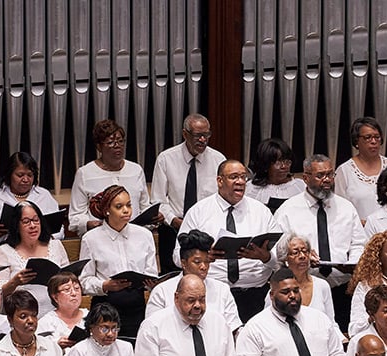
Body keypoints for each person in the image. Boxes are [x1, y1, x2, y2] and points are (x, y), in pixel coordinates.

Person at [175, 159, 281, 322]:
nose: (240, 181)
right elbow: (177, 256)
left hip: (255, 294)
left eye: (243, 177)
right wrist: (204, 258)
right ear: (219, 181)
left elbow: (280, 260)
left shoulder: (262, 212)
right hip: (212, 295)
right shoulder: (198, 212)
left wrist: (264, 256)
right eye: (234, 177)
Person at [274, 154, 365, 331]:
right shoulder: (288, 210)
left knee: (342, 335)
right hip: (306, 287)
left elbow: (358, 243)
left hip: (343, 287)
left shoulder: (346, 207)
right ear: (306, 178)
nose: (327, 180)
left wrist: (352, 262)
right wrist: (303, 256)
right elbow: (278, 249)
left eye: (330, 175)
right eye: (320, 175)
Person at [237, 268, 347, 356]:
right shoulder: (255, 327)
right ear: (271, 295)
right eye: (285, 292)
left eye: (296, 290)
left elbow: (336, 355)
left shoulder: (319, 318)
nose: (292, 296)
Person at [78, 184, 158, 338]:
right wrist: (105, 285)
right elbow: (85, 280)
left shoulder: (144, 235)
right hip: (105, 306)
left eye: (129, 205)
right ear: (107, 210)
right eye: (119, 206)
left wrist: (151, 283)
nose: (126, 210)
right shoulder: (91, 239)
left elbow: (151, 271)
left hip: (136, 305)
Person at [151, 113, 227, 271]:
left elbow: (223, 197)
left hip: (206, 228)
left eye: (207, 135)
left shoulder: (218, 159)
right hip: (173, 228)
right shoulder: (166, 159)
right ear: (185, 134)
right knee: (173, 276)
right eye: (198, 135)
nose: (203, 140)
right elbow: (158, 200)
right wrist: (174, 220)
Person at [145, 229, 242, 335]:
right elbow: (151, 329)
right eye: (197, 262)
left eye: (207, 262)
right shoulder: (162, 291)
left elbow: (233, 327)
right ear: (183, 263)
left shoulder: (222, 289)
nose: (203, 267)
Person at [67, 118, 154, 236]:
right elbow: (75, 217)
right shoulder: (85, 174)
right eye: (110, 142)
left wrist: (152, 217)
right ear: (99, 147)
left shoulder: (136, 170)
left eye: (120, 141)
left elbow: (144, 206)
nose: (117, 146)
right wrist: (88, 223)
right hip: (100, 237)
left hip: (133, 236)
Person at [0, 200, 70, 318]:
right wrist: (14, 282)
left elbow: (68, 277)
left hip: (57, 311)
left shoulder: (56, 245)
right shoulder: (3, 251)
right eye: (26, 222)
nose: (33, 225)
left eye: (36, 220)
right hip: (23, 314)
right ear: (17, 225)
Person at [0, 151, 62, 248]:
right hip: (5, 252)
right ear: (9, 175)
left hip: (41, 250)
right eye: (20, 175)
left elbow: (59, 229)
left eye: (30, 175)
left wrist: (48, 237)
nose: (25, 179)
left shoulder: (44, 195)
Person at [335, 117, 387, 222]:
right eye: (367, 137)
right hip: (360, 232)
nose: (373, 141)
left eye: (377, 137)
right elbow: (339, 210)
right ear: (356, 141)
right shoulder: (344, 171)